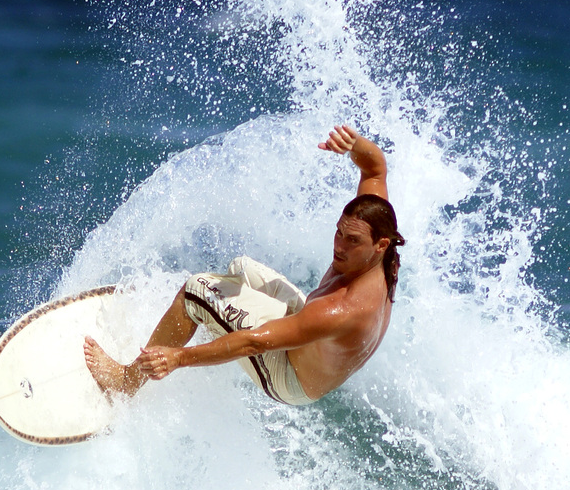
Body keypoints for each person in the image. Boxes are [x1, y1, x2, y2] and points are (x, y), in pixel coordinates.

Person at [83, 125, 404, 405]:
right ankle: (194, 321)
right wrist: (354, 144)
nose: (339, 245)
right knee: (240, 268)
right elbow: (374, 168)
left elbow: (256, 341)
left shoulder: (341, 308)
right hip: (313, 339)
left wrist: (179, 359)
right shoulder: (382, 248)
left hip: (290, 377)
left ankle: (125, 382)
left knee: (194, 290)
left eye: (352, 241)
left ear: (380, 244)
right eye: (339, 232)